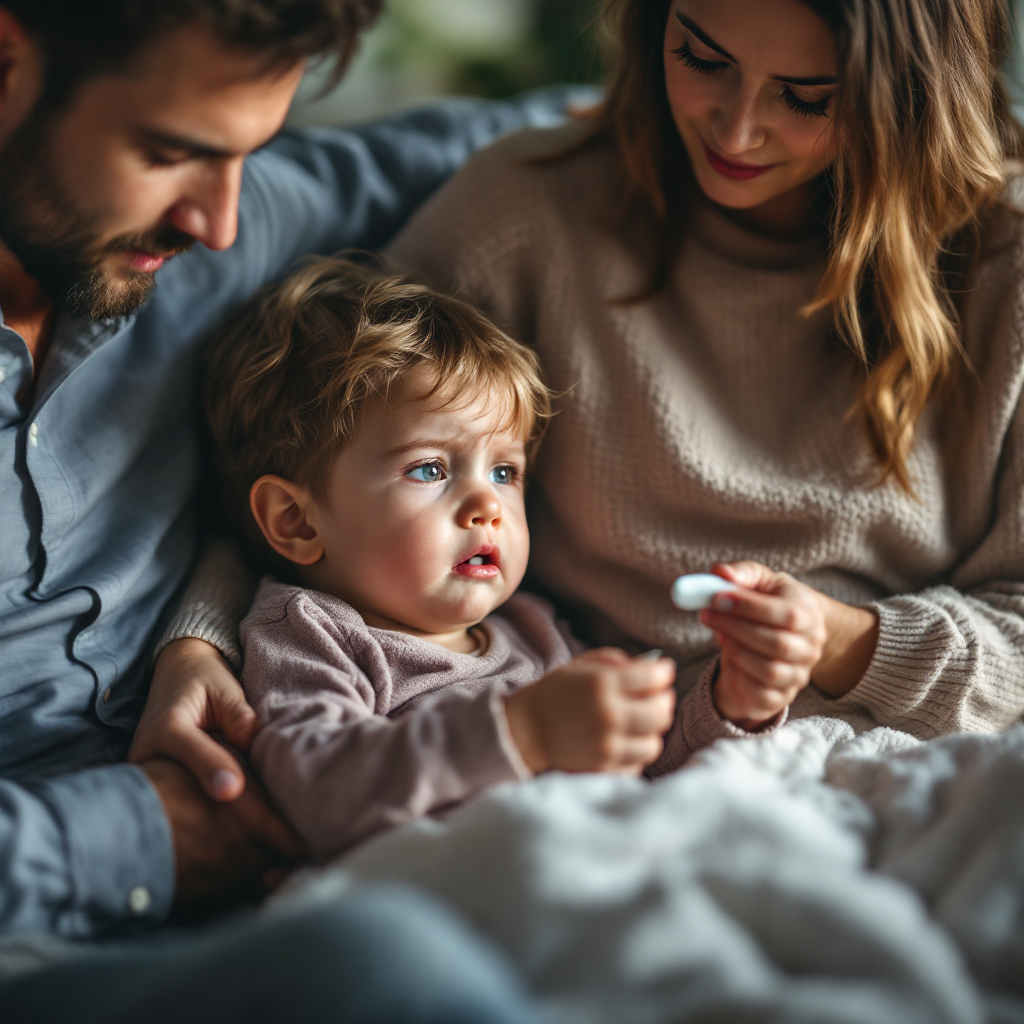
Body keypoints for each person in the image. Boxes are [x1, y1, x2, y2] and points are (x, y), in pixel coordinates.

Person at [0, 0, 579, 1018]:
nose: (220, 225)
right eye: (172, 151)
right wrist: (146, 835)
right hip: (45, 950)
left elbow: (516, 135)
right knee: (391, 967)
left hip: (306, 883)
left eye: (248, 153)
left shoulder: (210, 233)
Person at [377, 0, 1024, 769]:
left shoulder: (1005, 267)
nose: (736, 131)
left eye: (806, 98)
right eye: (703, 60)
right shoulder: (522, 211)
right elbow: (319, 465)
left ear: (912, 99)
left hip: (893, 761)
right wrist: (232, 664)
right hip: (594, 758)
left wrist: (836, 640)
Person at [201, 258, 677, 858]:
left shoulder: (534, 627)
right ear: (296, 520)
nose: (488, 506)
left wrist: (732, 703)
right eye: (430, 469)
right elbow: (318, 791)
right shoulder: (312, 635)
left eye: (504, 472)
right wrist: (525, 732)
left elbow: (649, 766)